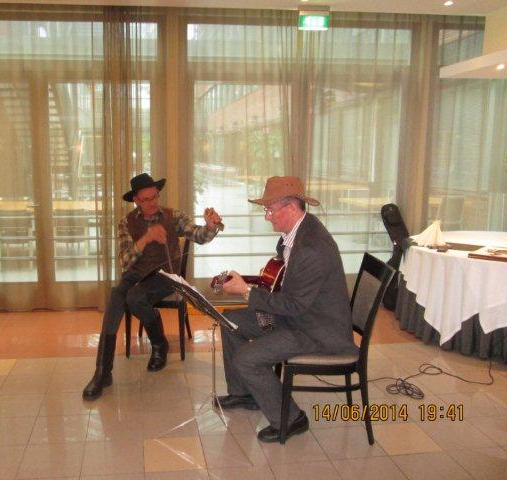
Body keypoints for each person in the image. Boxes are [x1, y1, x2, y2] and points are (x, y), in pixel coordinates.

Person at [217, 176, 357, 443]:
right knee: (229, 321)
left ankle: (292, 419)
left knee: (247, 358)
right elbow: (286, 285)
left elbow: (294, 305)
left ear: (291, 208)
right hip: (297, 317)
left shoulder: (313, 248)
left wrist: (247, 292)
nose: (266, 216)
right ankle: (245, 393)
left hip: (316, 330)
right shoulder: (294, 235)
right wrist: (251, 284)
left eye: (270, 210)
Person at [83, 173, 222, 400]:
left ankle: (159, 344)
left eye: (155, 197)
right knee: (117, 296)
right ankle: (102, 372)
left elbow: (198, 236)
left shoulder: (173, 216)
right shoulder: (126, 222)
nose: (152, 203)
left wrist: (210, 226)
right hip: (136, 274)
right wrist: (146, 237)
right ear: (136, 200)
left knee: (135, 298)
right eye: (146, 199)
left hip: (164, 275)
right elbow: (125, 260)